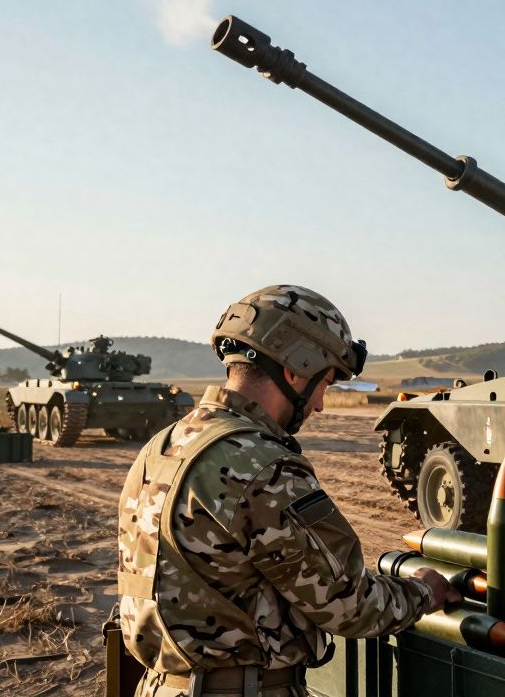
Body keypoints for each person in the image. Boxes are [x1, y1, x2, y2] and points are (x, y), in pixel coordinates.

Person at [116, 285, 459, 696]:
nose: (320, 405)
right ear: (297, 367)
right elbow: (347, 605)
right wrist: (424, 590)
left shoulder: (164, 445)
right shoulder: (262, 466)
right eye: (325, 382)